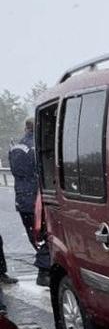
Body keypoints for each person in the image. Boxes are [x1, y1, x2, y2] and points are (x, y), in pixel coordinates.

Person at [9, 118, 50, 286]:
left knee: (34, 236)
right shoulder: (38, 146)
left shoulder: (15, 147)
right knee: (45, 235)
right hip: (37, 198)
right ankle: (44, 271)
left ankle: (45, 268)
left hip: (22, 198)